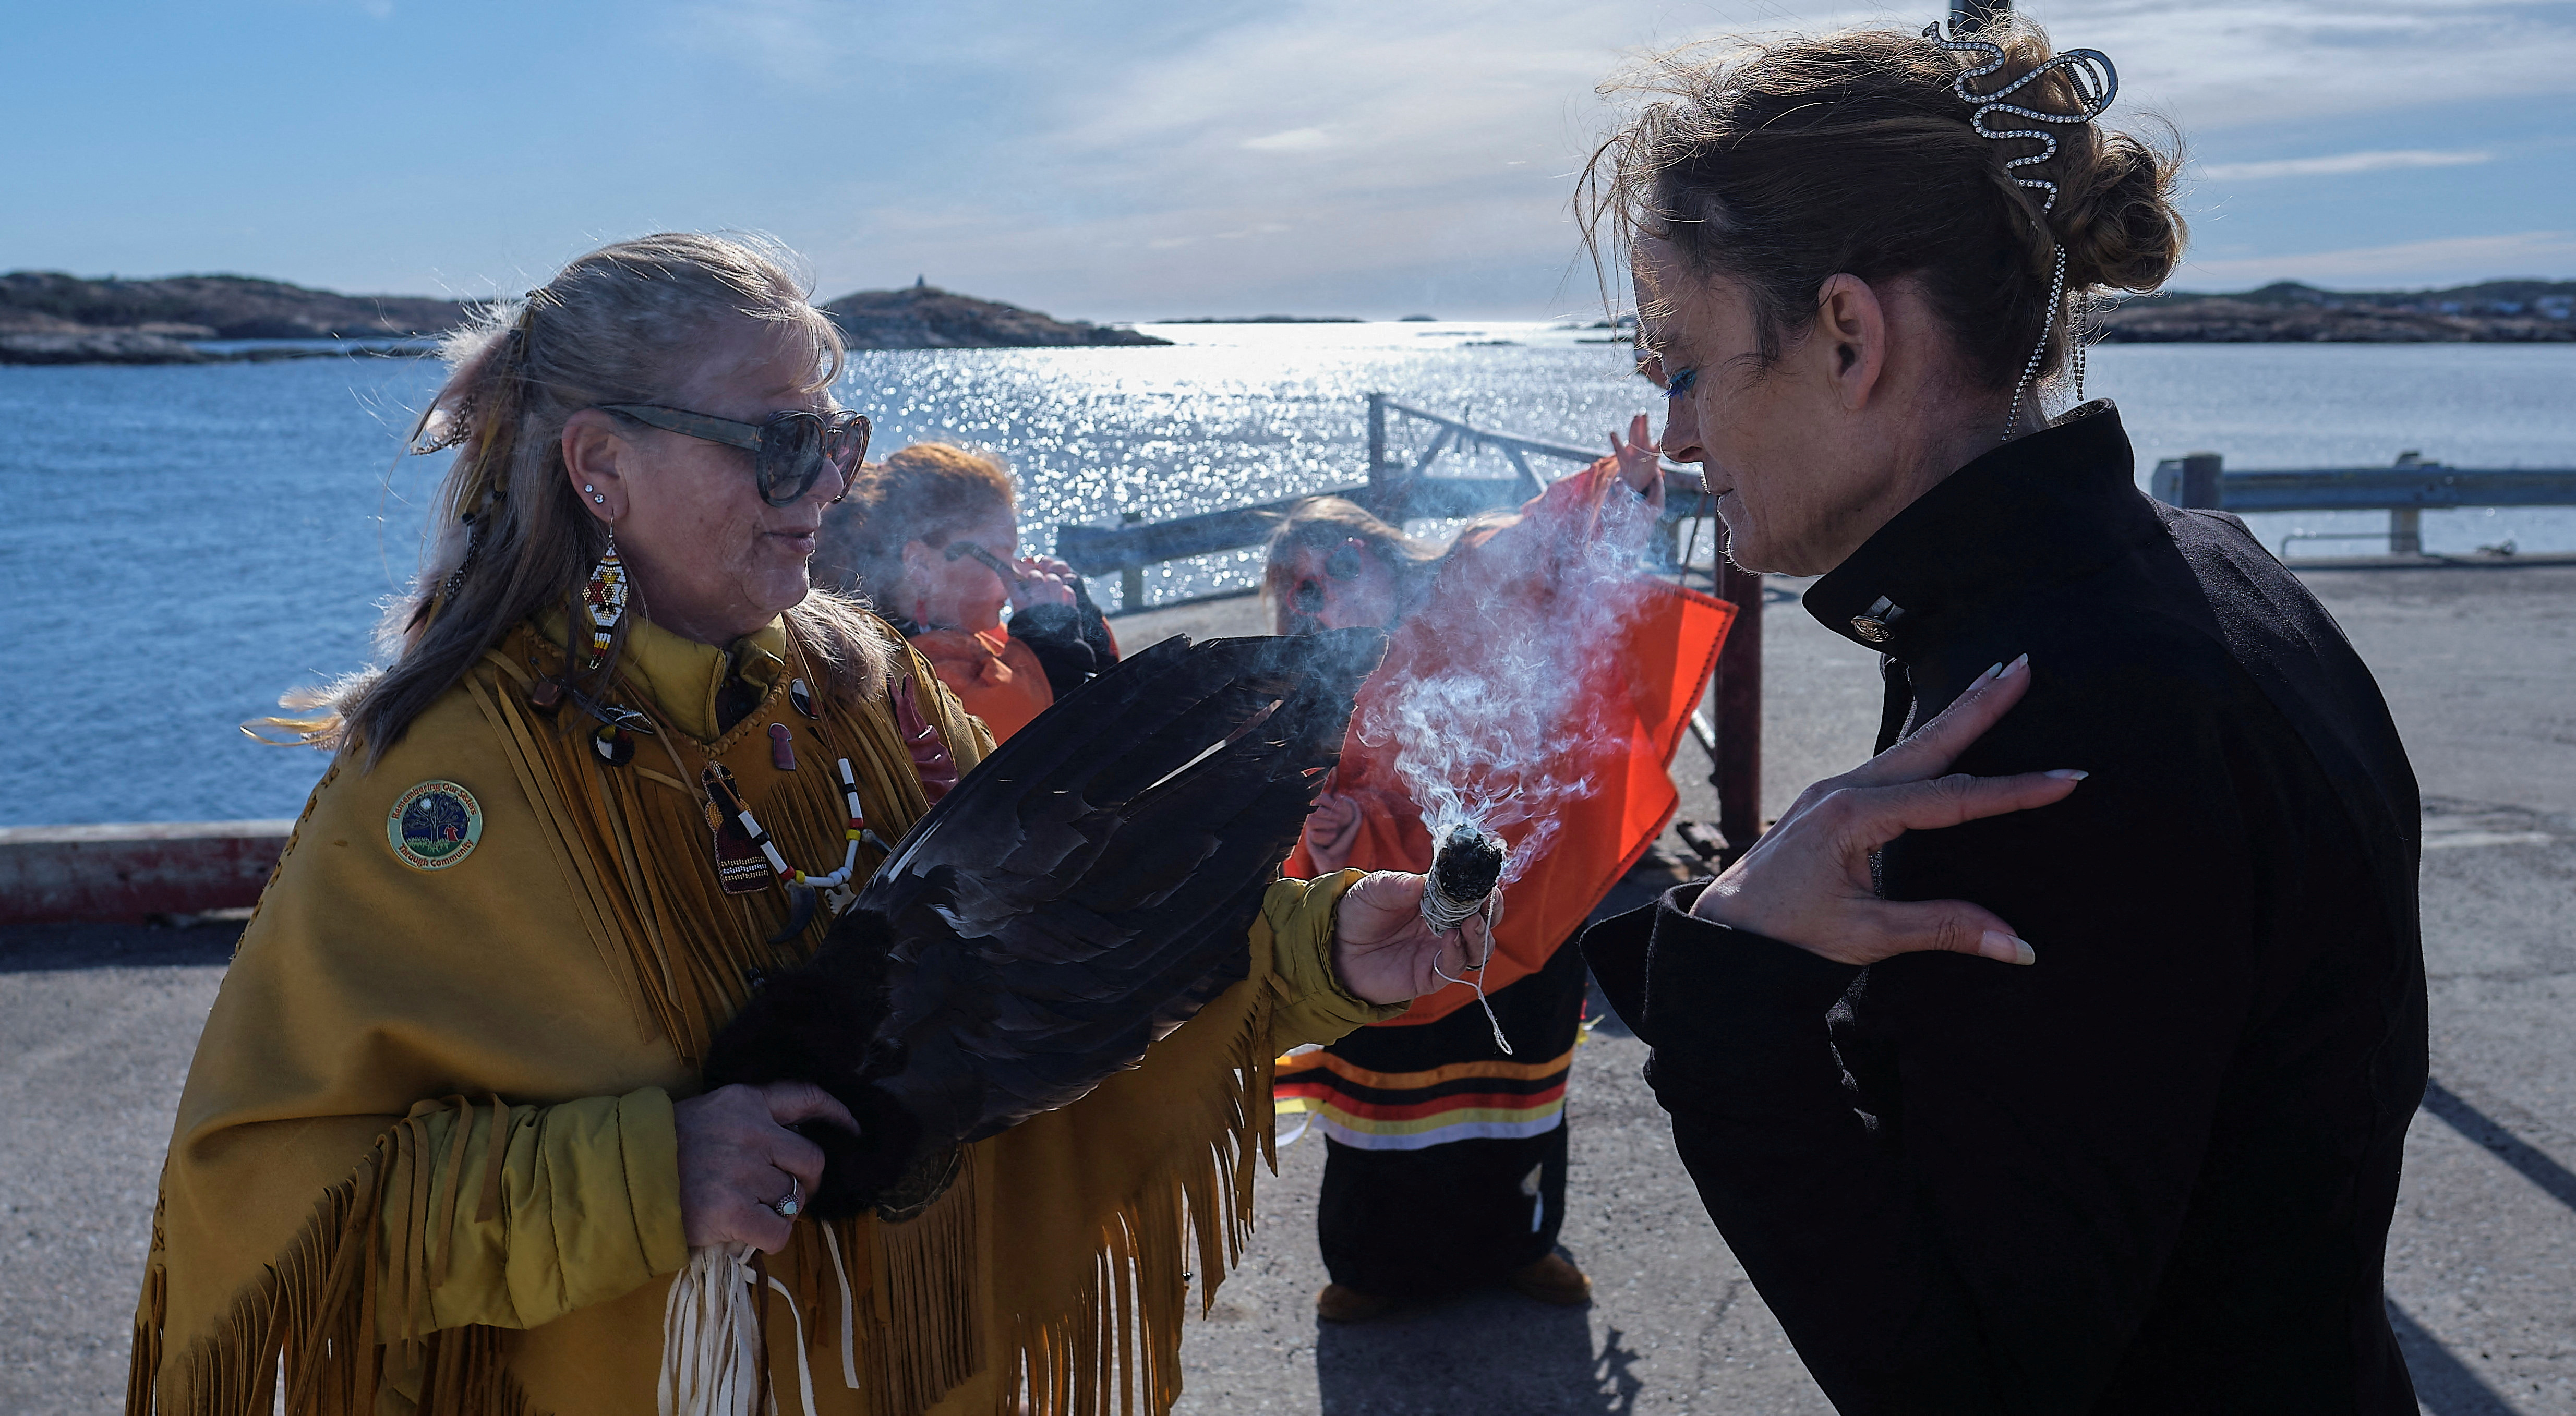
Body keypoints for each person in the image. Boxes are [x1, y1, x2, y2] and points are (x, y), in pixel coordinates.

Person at [126, 233, 1473, 1416]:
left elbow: (1061, 946)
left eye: (838, 439)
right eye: (778, 441)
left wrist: (1323, 948)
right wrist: (647, 1175)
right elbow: (265, 1201)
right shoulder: (449, 789)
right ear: (600, 466)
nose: (825, 486)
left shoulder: (862, 686)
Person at [1575, 21, 2426, 1411]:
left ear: (1849, 333)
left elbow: (1968, 1379)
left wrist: (1729, 996)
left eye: (1680, 362)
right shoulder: (2199, 577)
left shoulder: (2056, 713)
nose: (1673, 435)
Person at [1266, 430, 1735, 1322]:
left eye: (1321, 579)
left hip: (1522, 907)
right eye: (1295, 598)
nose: (1312, 607)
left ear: (1363, 549)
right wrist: (1336, 831)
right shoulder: (1308, 681)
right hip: (1392, 935)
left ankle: (1523, 1244)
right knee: (1380, 1118)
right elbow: (1316, 803)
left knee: (1518, 1088)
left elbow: (1554, 559)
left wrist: (1625, 500)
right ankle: (1371, 1267)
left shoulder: (1463, 590)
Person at [814, 442, 1116, 742]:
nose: (1016, 574)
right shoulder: (901, 680)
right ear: (921, 566)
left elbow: (1113, 713)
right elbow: (1029, 745)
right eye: (999, 556)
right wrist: (1052, 657)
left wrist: (1086, 631)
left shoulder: (976, 639)